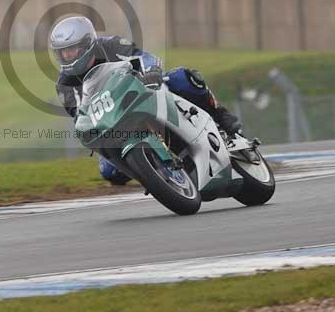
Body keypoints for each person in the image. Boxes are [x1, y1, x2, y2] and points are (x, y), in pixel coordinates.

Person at [50, 16, 242, 186]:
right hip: (113, 121)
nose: (67, 56)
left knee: (182, 77)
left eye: (71, 50)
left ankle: (218, 113)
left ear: (86, 44)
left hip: (142, 92)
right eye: (62, 52)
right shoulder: (64, 85)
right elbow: (80, 116)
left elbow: (144, 57)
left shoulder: (111, 45)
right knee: (109, 171)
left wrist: (151, 71)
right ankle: (155, 174)